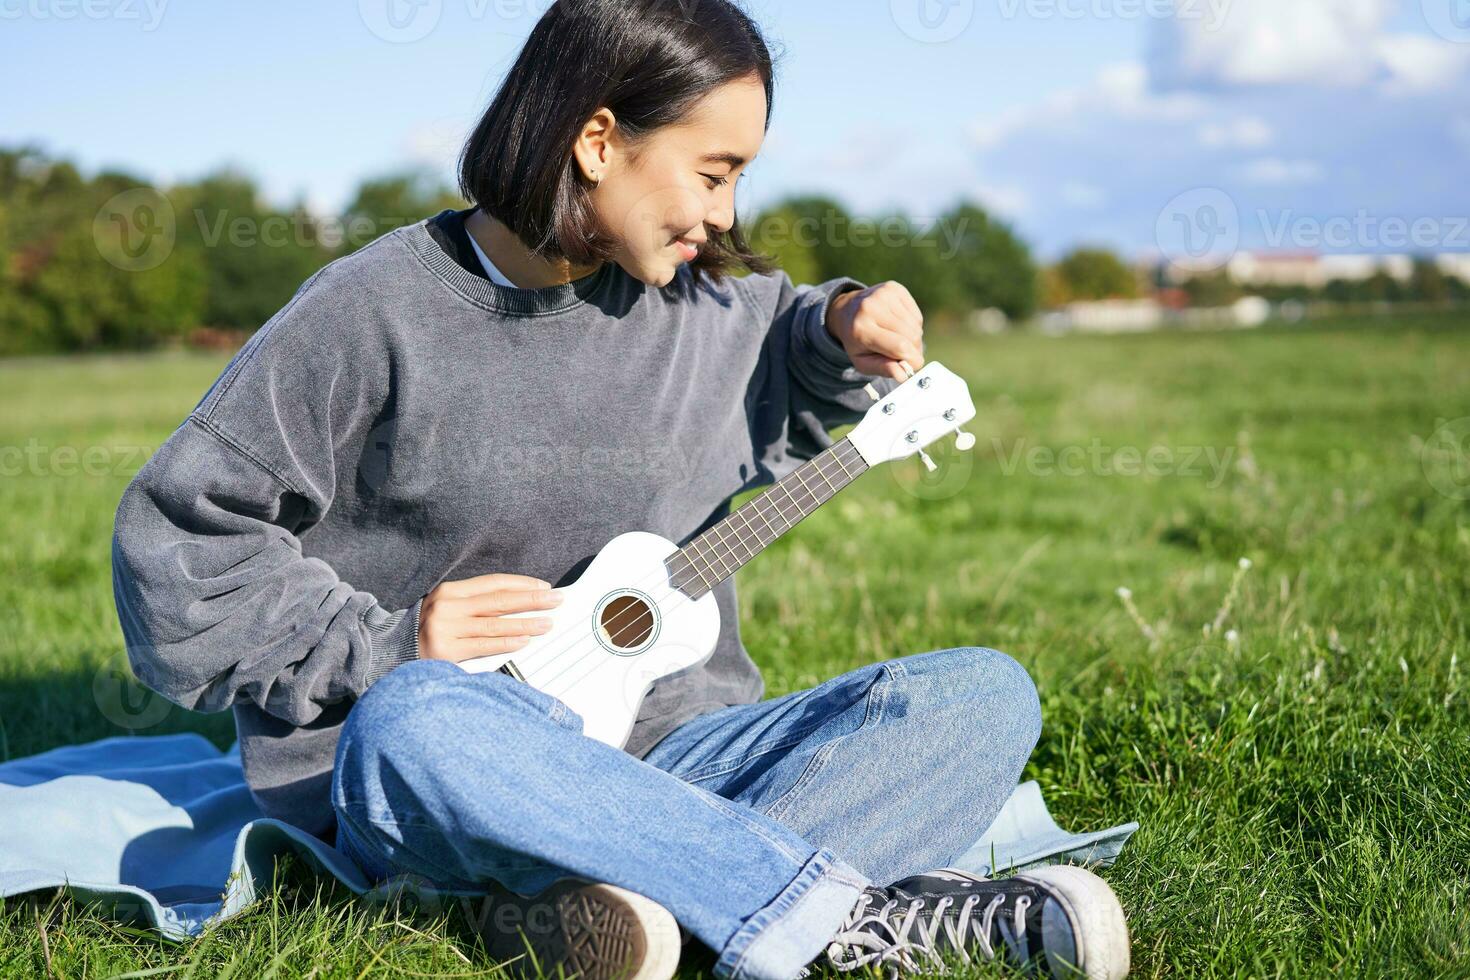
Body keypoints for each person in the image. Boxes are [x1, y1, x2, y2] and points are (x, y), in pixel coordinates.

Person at [110, 2, 1130, 978]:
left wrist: (845, 321)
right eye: (714, 171)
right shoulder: (366, 315)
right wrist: (392, 641)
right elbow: (181, 549)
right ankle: (846, 917)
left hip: (676, 757)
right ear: (598, 141)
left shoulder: (693, 298)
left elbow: (786, 340)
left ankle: (610, 903)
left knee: (981, 694)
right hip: (447, 776)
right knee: (420, 717)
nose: (725, 213)